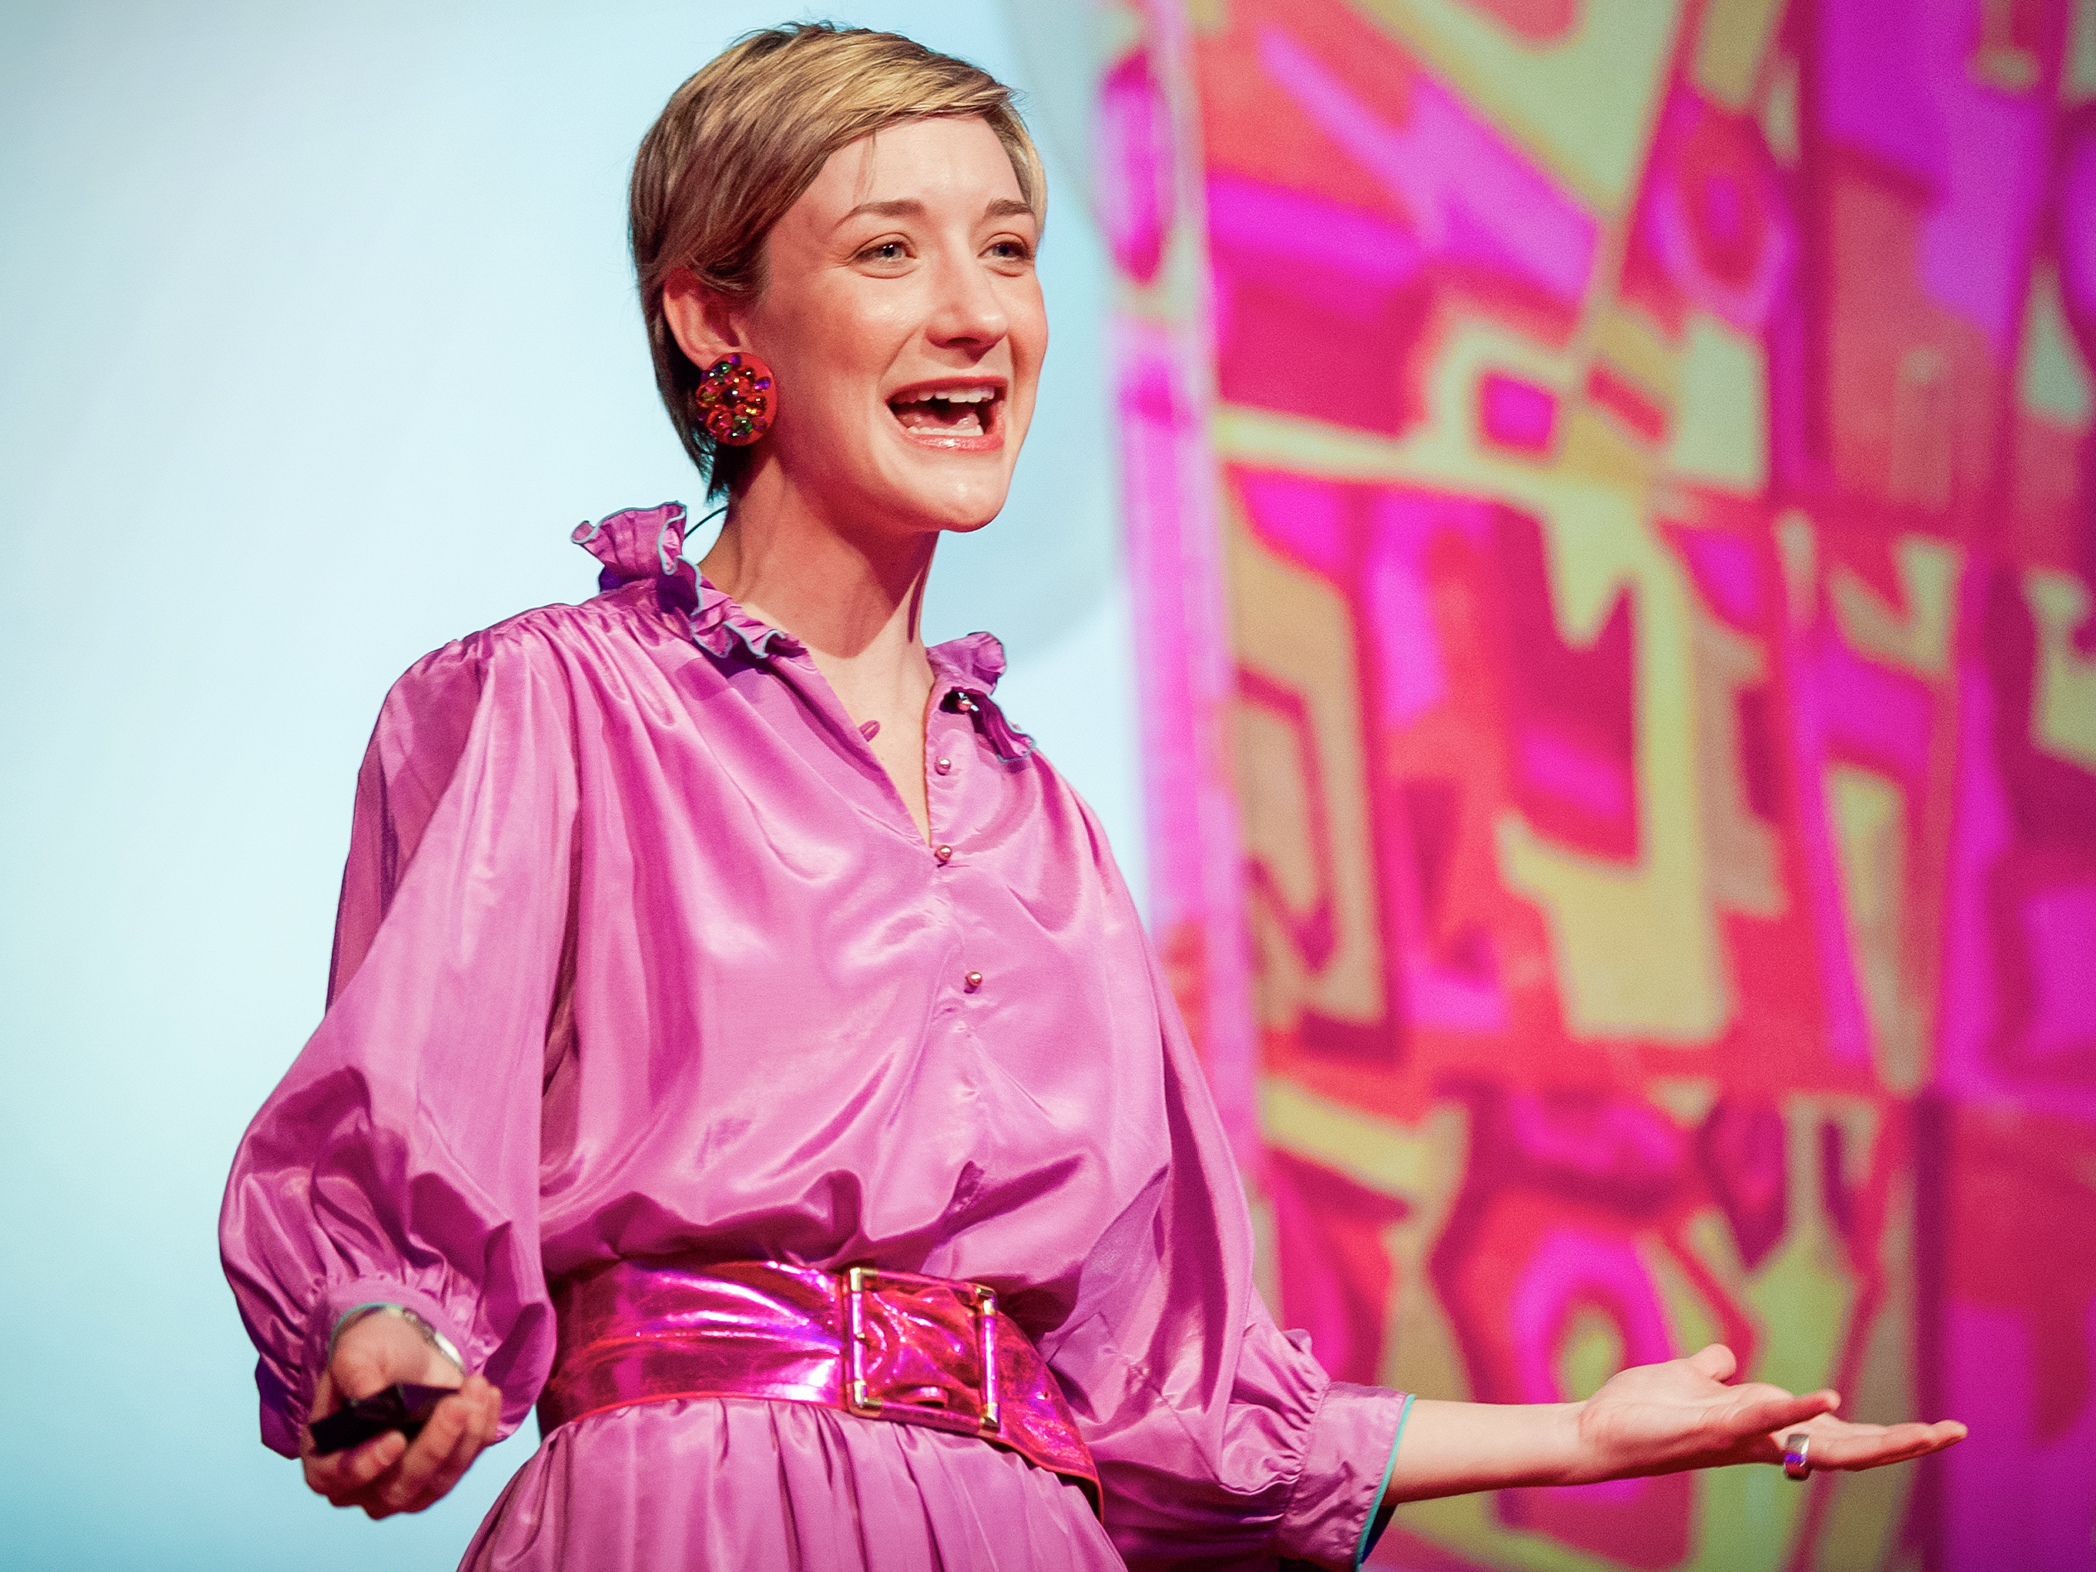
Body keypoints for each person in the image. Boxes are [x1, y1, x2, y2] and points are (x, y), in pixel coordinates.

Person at [219, 23, 1964, 1571]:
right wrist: (381, 1336)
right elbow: (390, 1180)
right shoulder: (549, 704)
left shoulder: (1043, 829)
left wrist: (1579, 1441)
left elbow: (1185, 1408)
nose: (976, 310)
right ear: (713, 314)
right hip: (702, 1509)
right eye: (888, 250)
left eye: (1011, 250)